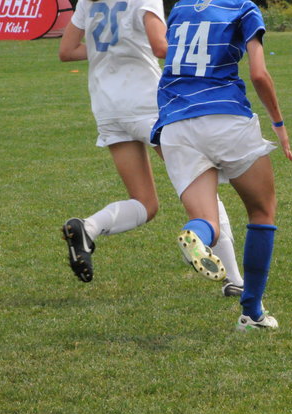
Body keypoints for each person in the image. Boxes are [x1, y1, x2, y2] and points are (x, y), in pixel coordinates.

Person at [58, 0, 245, 297]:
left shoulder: (87, 1)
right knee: (203, 187)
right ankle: (234, 280)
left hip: (108, 107)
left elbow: (67, 51)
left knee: (145, 203)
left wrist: (115, 49)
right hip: (148, 104)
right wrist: (210, 52)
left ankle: (88, 228)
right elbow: (160, 47)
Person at [150, 0, 292, 331]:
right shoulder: (243, 8)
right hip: (225, 117)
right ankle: (252, 313)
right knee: (262, 212)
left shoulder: (181, 8)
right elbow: (258, 73)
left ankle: (196, 235)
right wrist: (279, 124)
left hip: (175, 124)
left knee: (207, 220)